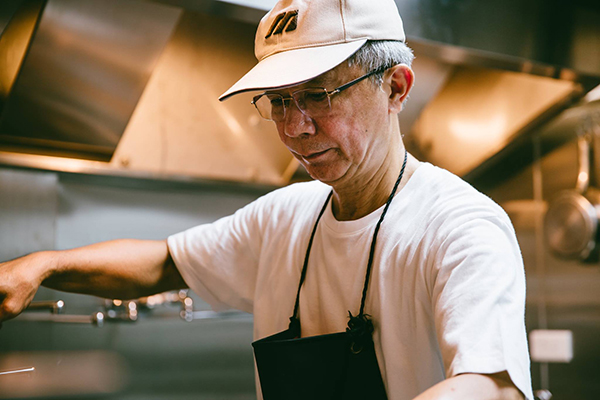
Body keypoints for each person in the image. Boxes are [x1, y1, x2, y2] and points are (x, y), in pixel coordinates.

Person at [0, 0, 533, 399]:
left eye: (318, 96)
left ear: (395, 87)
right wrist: (44, 265)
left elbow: (490, 385)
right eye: (279, 101)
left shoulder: (459, 226)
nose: (294, 128)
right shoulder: (286, 216)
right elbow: (164, 262)